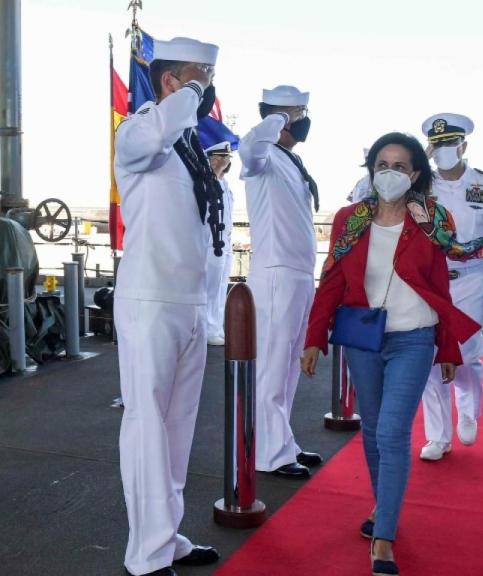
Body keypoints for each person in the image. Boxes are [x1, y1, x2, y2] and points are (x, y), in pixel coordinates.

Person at [300, 133, 483, 574]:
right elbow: (330, 282)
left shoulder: (431, 220)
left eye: (400, 166)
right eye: (382, 164)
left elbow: (441, 288)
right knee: (371, 430)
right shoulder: (350, 219)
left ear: (416, 175)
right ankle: (382, 506)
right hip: (364, 338)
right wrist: (314, 338)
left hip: (414, 339)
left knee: (390, 432)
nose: (389, 173)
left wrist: (447, 348)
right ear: (371, 170)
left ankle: (383, 537)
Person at [113, 36, 224, 575]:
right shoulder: (140, 129)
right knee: (146, 426)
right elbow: (148, 138)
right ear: (170, 83)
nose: (208, 91)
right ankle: (147, 556)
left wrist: (193, 93)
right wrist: (187, 96)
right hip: (149, 298)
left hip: (188, 301)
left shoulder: (189, 147)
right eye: (199, 79)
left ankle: (167, 534)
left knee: (178, 427)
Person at [240, 85, 322, 478]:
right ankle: (269, 453)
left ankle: (281, 440)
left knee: (288, 365)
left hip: (299, 274)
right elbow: (249, 146)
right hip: (275, 273)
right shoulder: (264, 156)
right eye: (298, 113)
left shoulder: (290, 160)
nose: (304, 120)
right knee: (272, 364)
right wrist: (278, 118)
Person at [418, 113, 483, 461]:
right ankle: (438, 436)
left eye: (449, 143)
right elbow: (378, 193)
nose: (444, 150)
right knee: (430, 356)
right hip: (431, 281)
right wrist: (420, 162)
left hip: (470, 279)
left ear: (464, 145)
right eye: (437, 144)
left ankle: (468, 410)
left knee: (467, 354)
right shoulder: (422, 186)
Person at [204, 141, 235, 345]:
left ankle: (217, 326)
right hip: (210, 241)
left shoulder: (224, 184)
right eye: (223, 157)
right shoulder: (207, 183)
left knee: (221, 285)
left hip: (225, 242)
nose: (225, 161)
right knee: (210, 286)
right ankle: (208, 328)